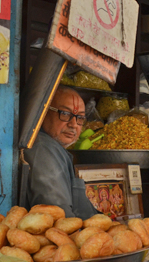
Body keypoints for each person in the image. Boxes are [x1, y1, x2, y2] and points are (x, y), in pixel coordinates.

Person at [22, 86, 100, 218]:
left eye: (80, 118)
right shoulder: (43, 149)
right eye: (65, 114)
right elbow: (59, 218)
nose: (74, 124)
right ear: (44, 111)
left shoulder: (55, 148)